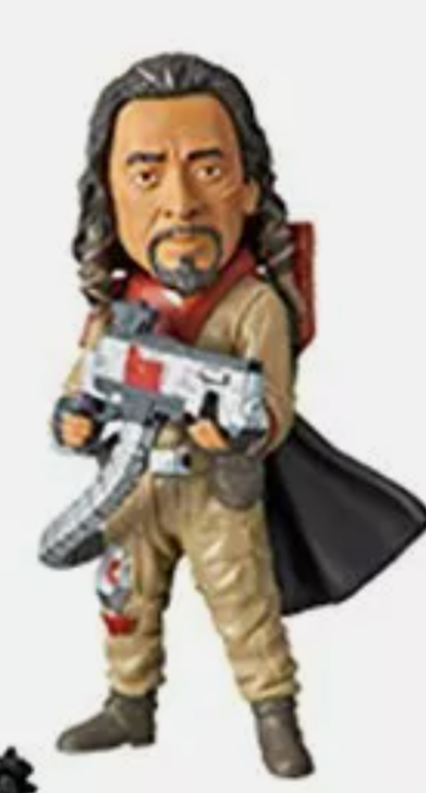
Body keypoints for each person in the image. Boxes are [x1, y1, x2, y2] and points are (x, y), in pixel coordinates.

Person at [48, 53, 425, 779]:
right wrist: (75, 418)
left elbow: (273, 403)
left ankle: (274, 715)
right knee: (124, 595)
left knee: (244, 603)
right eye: (146, 174)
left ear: (248, 189)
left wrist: (235, 434)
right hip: (131, 485)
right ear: (110, 195)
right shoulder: (120, 311)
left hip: (216, 487)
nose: (181, 203)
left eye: (209, 169)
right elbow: (85, 380)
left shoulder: (252, 307)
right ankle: (129, 702)